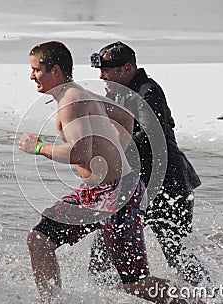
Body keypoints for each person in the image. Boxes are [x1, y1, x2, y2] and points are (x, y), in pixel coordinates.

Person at [19, 41, 190, 304]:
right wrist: (114, 150)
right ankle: (51, 301)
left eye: (36, 70)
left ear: (55, 70)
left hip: (119, 196)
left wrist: (39, 146)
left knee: (136, 284)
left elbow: (79, 153)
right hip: (97, 192)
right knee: (39, 239)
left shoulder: (71, 102)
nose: (32, 76)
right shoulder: (78, 93)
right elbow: (125, 116)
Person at [88, 41, 210, 287]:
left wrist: (111, 150)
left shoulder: (147, 91)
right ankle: (105, 295)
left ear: (127, 68)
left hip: (169, 185)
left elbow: (149, 135)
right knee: (104, 246)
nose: (101, 75)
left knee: (177, 253)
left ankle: (212, 296)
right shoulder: (118, 91)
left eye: (107, 69)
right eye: (100, 70)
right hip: (137, 184)